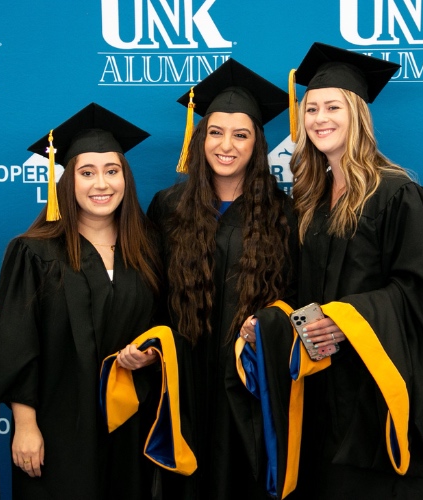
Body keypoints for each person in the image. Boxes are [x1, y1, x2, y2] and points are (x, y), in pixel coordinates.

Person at [0, 103, 162, 500]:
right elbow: (17, 347)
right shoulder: (35, 253)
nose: (101, 184)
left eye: (112, 171)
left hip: (131, 427)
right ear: (67, 181)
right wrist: (25, 425)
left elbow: (166, 328)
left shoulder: (148, 250)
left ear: (126, 178)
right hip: (57, 430)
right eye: (86, 173)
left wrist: (153, 354)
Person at [286, 42, 423, 499]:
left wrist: (345, 320)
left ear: (357, 113)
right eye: (311, 108)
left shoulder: (397, 194)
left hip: (375, 390)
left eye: (332, 106)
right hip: (322, 389)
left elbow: (421, 297)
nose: (319, 118)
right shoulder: (310, 202)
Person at [146, 59, 299, 499]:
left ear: (258, 144)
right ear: (200, 138)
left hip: (248, 385)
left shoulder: (283, 213)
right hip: (183, 384)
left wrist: (268, 326)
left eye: (241, 134)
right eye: (215, 132)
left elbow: (297, 298)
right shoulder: (168, 207)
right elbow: (150, 295)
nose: (225, 145)